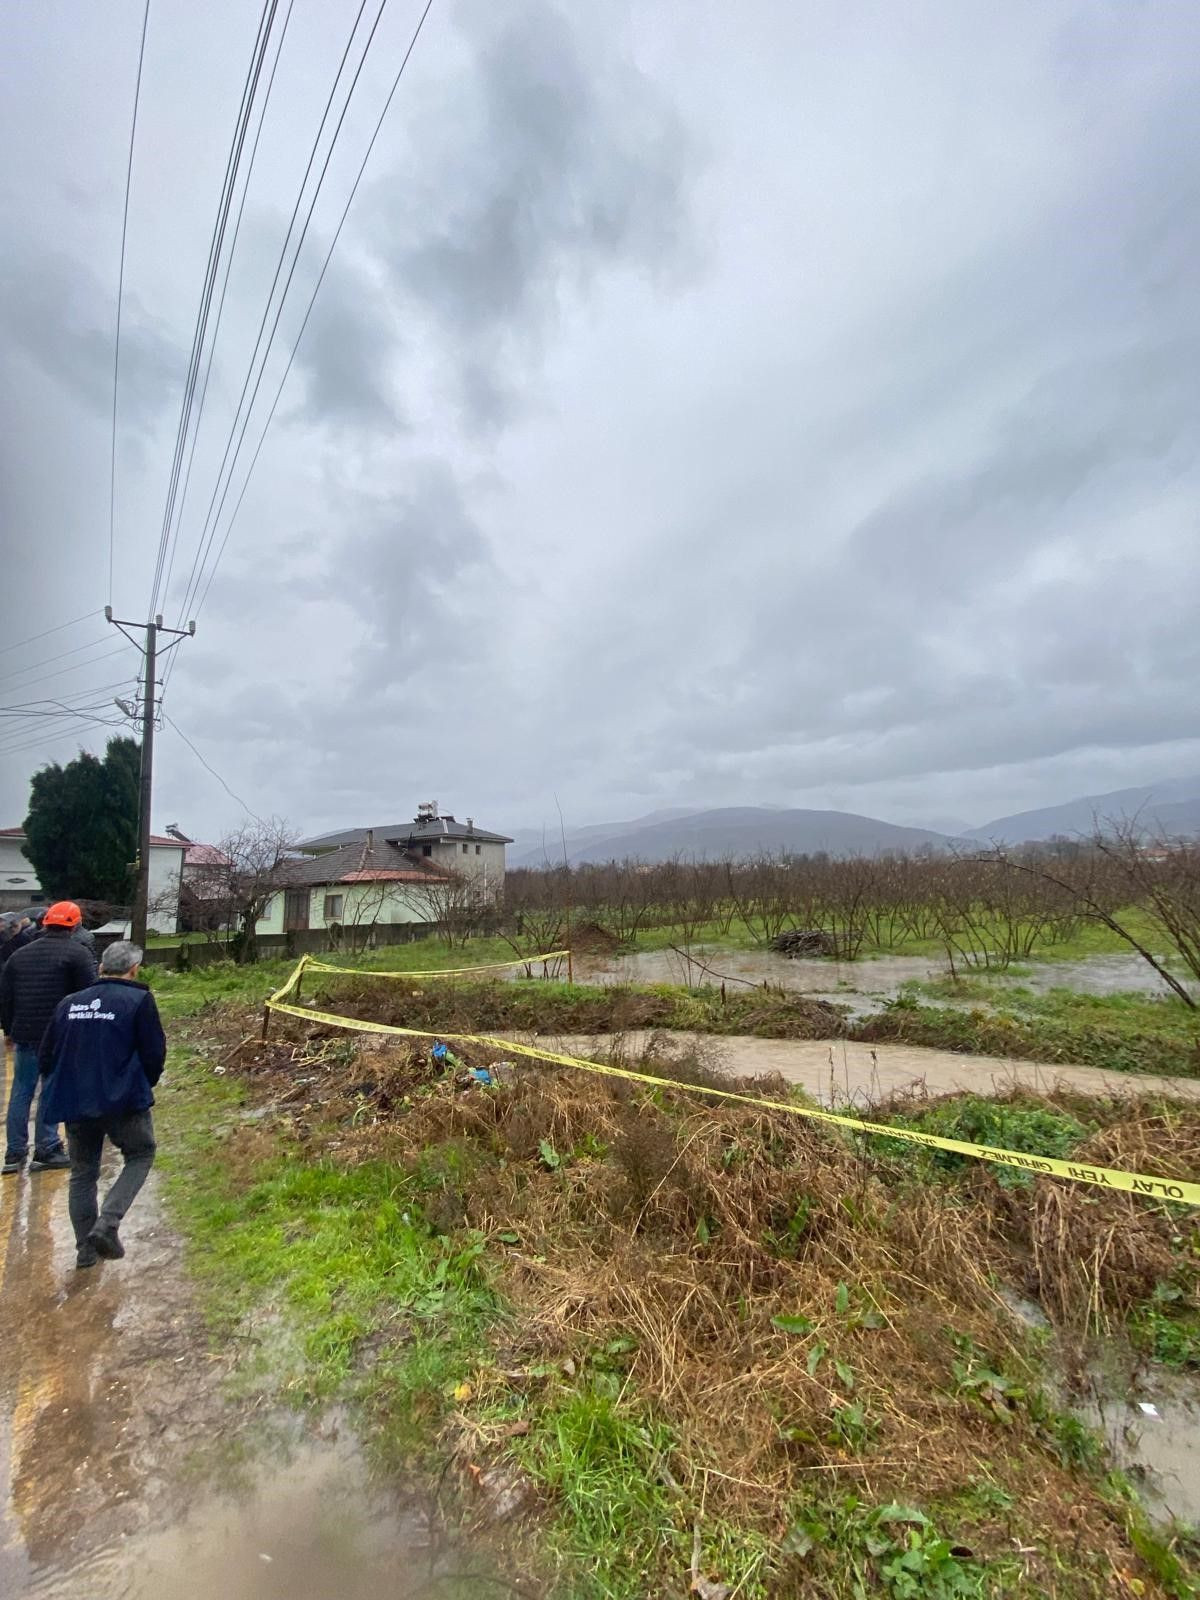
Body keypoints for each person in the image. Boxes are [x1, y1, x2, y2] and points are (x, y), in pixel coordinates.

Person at [37, 939, 165, 1269]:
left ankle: (85, 1251)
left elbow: (47, 1056)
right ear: (134, 969)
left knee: (82, 1174)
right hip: (123, 1101)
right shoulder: (138, 1000)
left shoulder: (69, 1003)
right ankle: (107, 1223)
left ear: (101, 968)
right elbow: (154, 1054)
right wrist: (141, 1084)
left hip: (76, 1101)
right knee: (140, 1154)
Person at [0, 901, 96, 1174]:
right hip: (59, 1035)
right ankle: (48, 1148)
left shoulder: (19, 955)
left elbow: (6, 999)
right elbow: (88, 996)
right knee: (50, 1090)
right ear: (74, 924)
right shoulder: (78, 954)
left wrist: (8, 1030)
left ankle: (14, 1153)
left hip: (25, 1033)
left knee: (21, 1091)